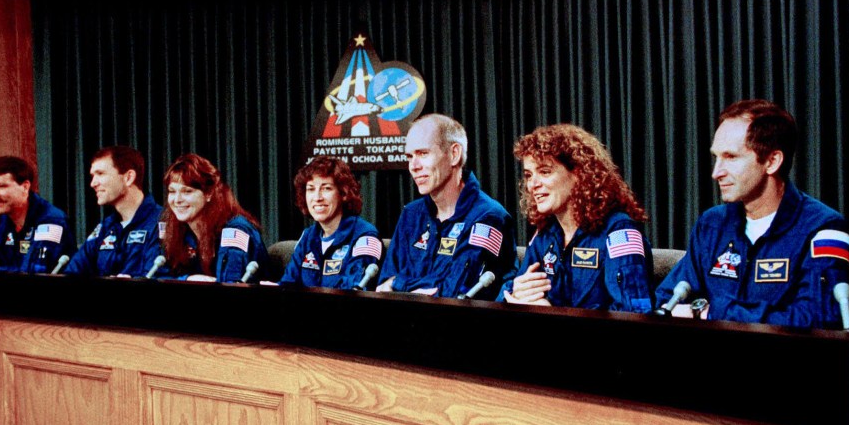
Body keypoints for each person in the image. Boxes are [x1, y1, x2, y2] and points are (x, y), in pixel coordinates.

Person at [656, 99, 849, 328]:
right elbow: (666, 302)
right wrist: (702, 311)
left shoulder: (824, 228)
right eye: (716, 157)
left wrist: (715, 312)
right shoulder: (712, 225)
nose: (716, 172)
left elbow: (820, 319)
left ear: (771, 161)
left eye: (730, 157)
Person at [499, 124, 654, 312]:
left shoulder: (619, 232)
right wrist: (516, 293)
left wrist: (553, 316)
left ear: (579, 174)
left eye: (545, 172)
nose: (533, 185)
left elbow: (633, 316)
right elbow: (512, 296)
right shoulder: (545, 236)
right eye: (529, 175)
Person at [377, 113, 517, 299]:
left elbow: (458, 292)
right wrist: (397, 285)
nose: (414, 166)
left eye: (423, 153)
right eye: (410, 157)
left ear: (454, 154)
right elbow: (383, 286)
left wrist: (398, 285)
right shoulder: (411, 214)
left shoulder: (489, 217)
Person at [161, 153, 270, 283]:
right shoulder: (177, 229)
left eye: (187, 191)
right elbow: (158, 277)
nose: (177, 200)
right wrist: (188, 279)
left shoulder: (235, 230)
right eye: (172, 191)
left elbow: (229, 285)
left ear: (209, 193)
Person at [279, 156, 382, 289]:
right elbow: (288, 284)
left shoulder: (365, 236)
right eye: (311, 189)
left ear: (343, 193)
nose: (317, 198)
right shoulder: (308, 236)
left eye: (326, 188)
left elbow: (355, 292)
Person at [0, 156, 75, 273]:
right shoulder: (2, 220)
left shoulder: (52, 220)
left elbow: (37, 271)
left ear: (25, 187)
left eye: (1, 186)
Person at [65, 146, 163, 277]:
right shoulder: (106, 227)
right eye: (92, 176)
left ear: (128, 177)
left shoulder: (161, 223)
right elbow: (72, 273)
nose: (93, 183)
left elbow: (158, 280)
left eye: (100, 174)